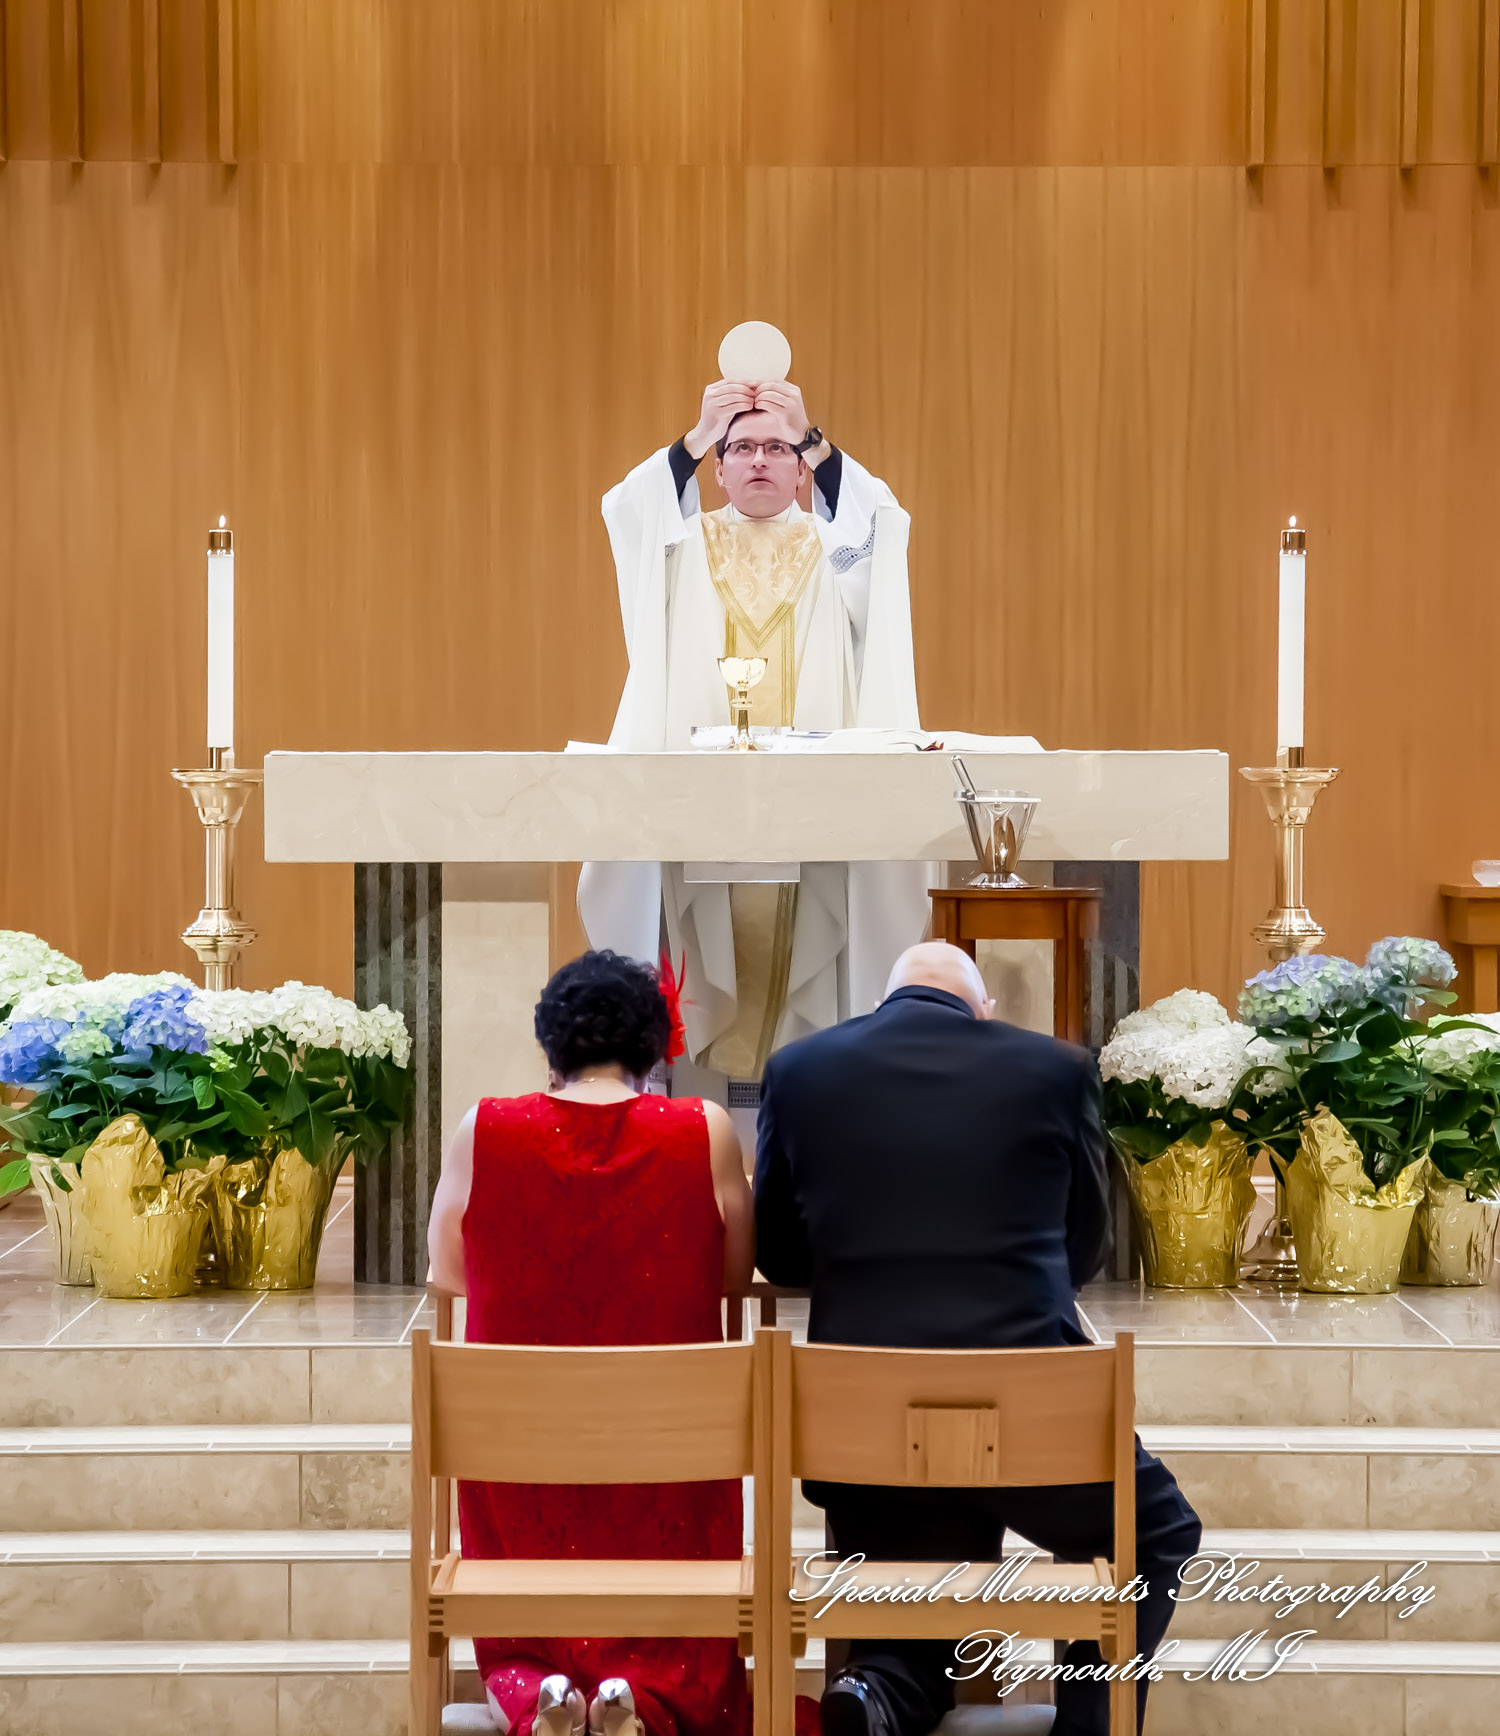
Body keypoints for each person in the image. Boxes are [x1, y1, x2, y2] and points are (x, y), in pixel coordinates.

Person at [753, 942, 1203, 1736]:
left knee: (920, 1559)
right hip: (1028, 1413)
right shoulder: (1056, 1069)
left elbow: (781, 1254)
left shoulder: (799, 1069)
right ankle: (1088, 1724)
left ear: (883, 999)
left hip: (861, 1424)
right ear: (982, 1009)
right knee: (1156, 1526)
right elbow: (1085, 1249)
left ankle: (879, 1690)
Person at [427, 949, 755, 1736]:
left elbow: (446, 1272)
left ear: (553, 1040)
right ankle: (638, 1696)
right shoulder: (701, 1129)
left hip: (520, 1454)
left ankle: (541, 1689)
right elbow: (736, 1274)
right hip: (669, 1452)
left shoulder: (487, 1128)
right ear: (653, 1042)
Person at [577, 360, 930, 1082]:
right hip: (702, 815)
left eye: (780, 448)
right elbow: (627, 509)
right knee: (705, 952)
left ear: (805, 468)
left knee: (809, 963)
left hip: (815, 820)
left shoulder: (841, 549)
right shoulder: (680, 545)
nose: (761, 460)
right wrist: (697, 431)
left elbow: (883, 522)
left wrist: (817, 437)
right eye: (741, 448)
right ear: (716, 470)